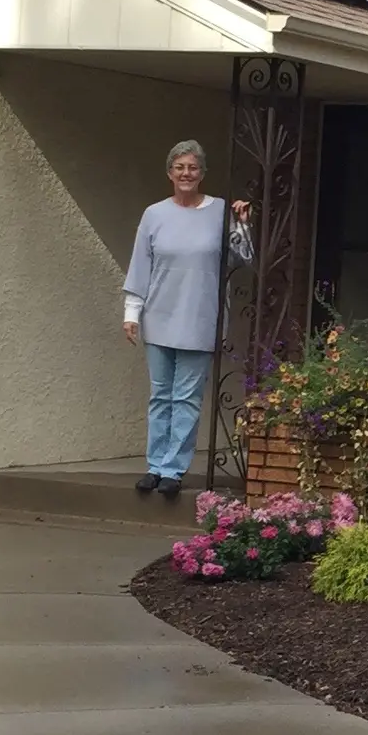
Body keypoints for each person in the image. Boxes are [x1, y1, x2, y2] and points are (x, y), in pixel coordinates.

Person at [122, 140, 252, 496]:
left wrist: (242, 225)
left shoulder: (221, 211)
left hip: (199, 316)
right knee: (160, 395)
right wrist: (132, 313)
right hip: (160, 315)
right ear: (169, 173)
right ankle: (154, 465)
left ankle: (173, 470)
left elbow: (242, 259)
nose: (186, 174)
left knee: (186, 398)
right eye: (179, 167)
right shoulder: (154, 214)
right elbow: (141, 265)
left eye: (192, 167)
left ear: (202, 173)